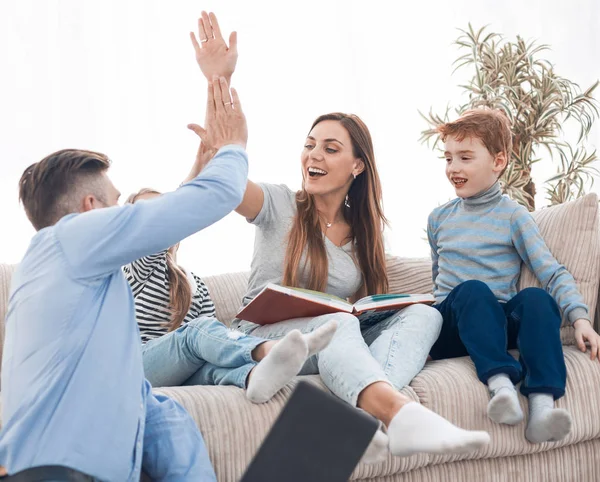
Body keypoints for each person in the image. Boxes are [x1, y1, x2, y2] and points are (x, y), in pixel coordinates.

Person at [187, 11, 491, 459]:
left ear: (357, 166)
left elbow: (365, 311)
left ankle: (366, 419)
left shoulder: (363, 237)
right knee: (338, 323)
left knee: (426, 317)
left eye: (330, 148)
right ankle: (399, 413)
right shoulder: (278, 204)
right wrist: (218, 83)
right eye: (310, 144)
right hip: (265, 343)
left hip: (328, 343)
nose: (313, 154)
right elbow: (220, 179)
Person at [0, 76, 245, 481]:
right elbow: (215, 197)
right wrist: (234, 144)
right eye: (117, 204)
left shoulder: (58, 271)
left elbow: (163, 225)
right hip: (57, 474)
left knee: (159, 408)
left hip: (69, 467)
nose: (122, 211)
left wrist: (201, 167)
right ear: (91, 207)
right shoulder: (74, 237)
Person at [426, 108, 600, 444]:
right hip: (452, 325)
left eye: (465, 157)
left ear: (499, 161)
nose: (453, 168)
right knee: (473, 291)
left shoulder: (514, 217)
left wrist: (580, 320)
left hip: (495, 324)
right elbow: (438, 283)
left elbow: (551, 272)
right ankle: (501, 385)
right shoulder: (439, 219)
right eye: (448, 158)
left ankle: (542, 407)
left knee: (537, 299)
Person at [124, 187, 336, 403]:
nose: (158, 215)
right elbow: (159, 233)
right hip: (136, 366)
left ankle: (254, 377)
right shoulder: (133, 266)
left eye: (160, 208)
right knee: (197, 331)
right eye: (147, 211)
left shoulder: (195, 283)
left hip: (174, 370)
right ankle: (269, 350)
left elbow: (212, 339)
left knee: (212, 367)